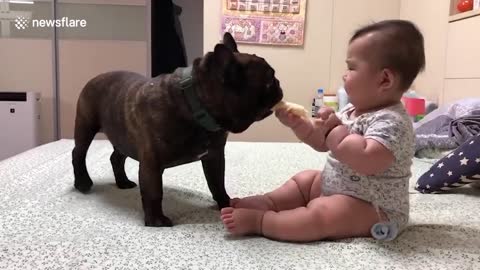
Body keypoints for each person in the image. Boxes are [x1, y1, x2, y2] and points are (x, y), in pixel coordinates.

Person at [220, 20, 425, 242]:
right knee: (305, 180)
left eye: (352, 67)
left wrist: (336, 130)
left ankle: (261, 222)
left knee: (320, 214)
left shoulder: (393, 122)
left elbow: (367, 159)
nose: (345, 75)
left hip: (372, 207)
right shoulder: (353, 110)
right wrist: (301, 126)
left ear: (384, 79)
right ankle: (269, 201)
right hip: (337, 186)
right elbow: (323, 142)